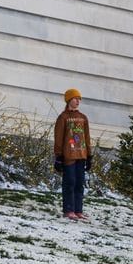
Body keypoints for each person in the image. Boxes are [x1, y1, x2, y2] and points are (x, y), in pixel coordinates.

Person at [53, 88, 93, 220]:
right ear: (69, 100)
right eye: (75, 98)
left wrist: (89, 155)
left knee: (79, 183)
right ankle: (68, 209)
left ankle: (78, 210)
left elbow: (86, 137)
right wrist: (58, 156)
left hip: (81, 155)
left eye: (79, 99)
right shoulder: (63, 117)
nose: (78, 101)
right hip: (68, 155)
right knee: (70, 182)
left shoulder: (83, 118)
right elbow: (58, 137)